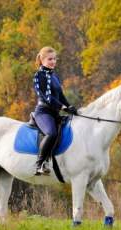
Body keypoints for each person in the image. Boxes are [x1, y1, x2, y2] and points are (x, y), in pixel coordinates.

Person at [33, 46, 77, 175]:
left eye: (54, 59)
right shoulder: (38, 75)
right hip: (43, 112)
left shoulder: (54, 76)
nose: (53, 61)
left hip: (55, 113)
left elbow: (61, 96)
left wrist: (70, 107)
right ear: (42, 60)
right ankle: (39, 164)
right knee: (51, 133)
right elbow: (47, 97)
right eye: (50, 59)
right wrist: (62, 107)